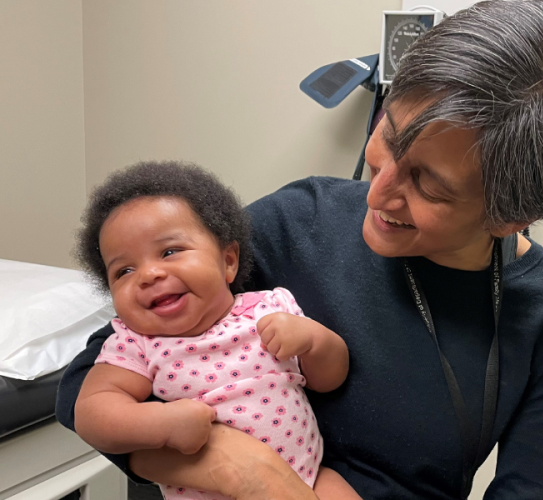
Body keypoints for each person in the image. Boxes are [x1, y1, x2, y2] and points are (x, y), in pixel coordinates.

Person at [56, 1, 543, 499]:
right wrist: (233, 469)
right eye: (389, 132)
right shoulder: (297, 220)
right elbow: (86, 384)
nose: (377, 190)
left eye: (428, 184)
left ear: (510, 216)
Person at [72, 164, 360, 500]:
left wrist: (313, 341)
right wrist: (162, 423)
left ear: (228, 261)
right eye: (124, 271)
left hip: (310, 476)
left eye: (169, 252)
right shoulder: (137, 344)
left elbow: (331, 379)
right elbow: (92, 412)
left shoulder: (268, 307)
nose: (148, 274)